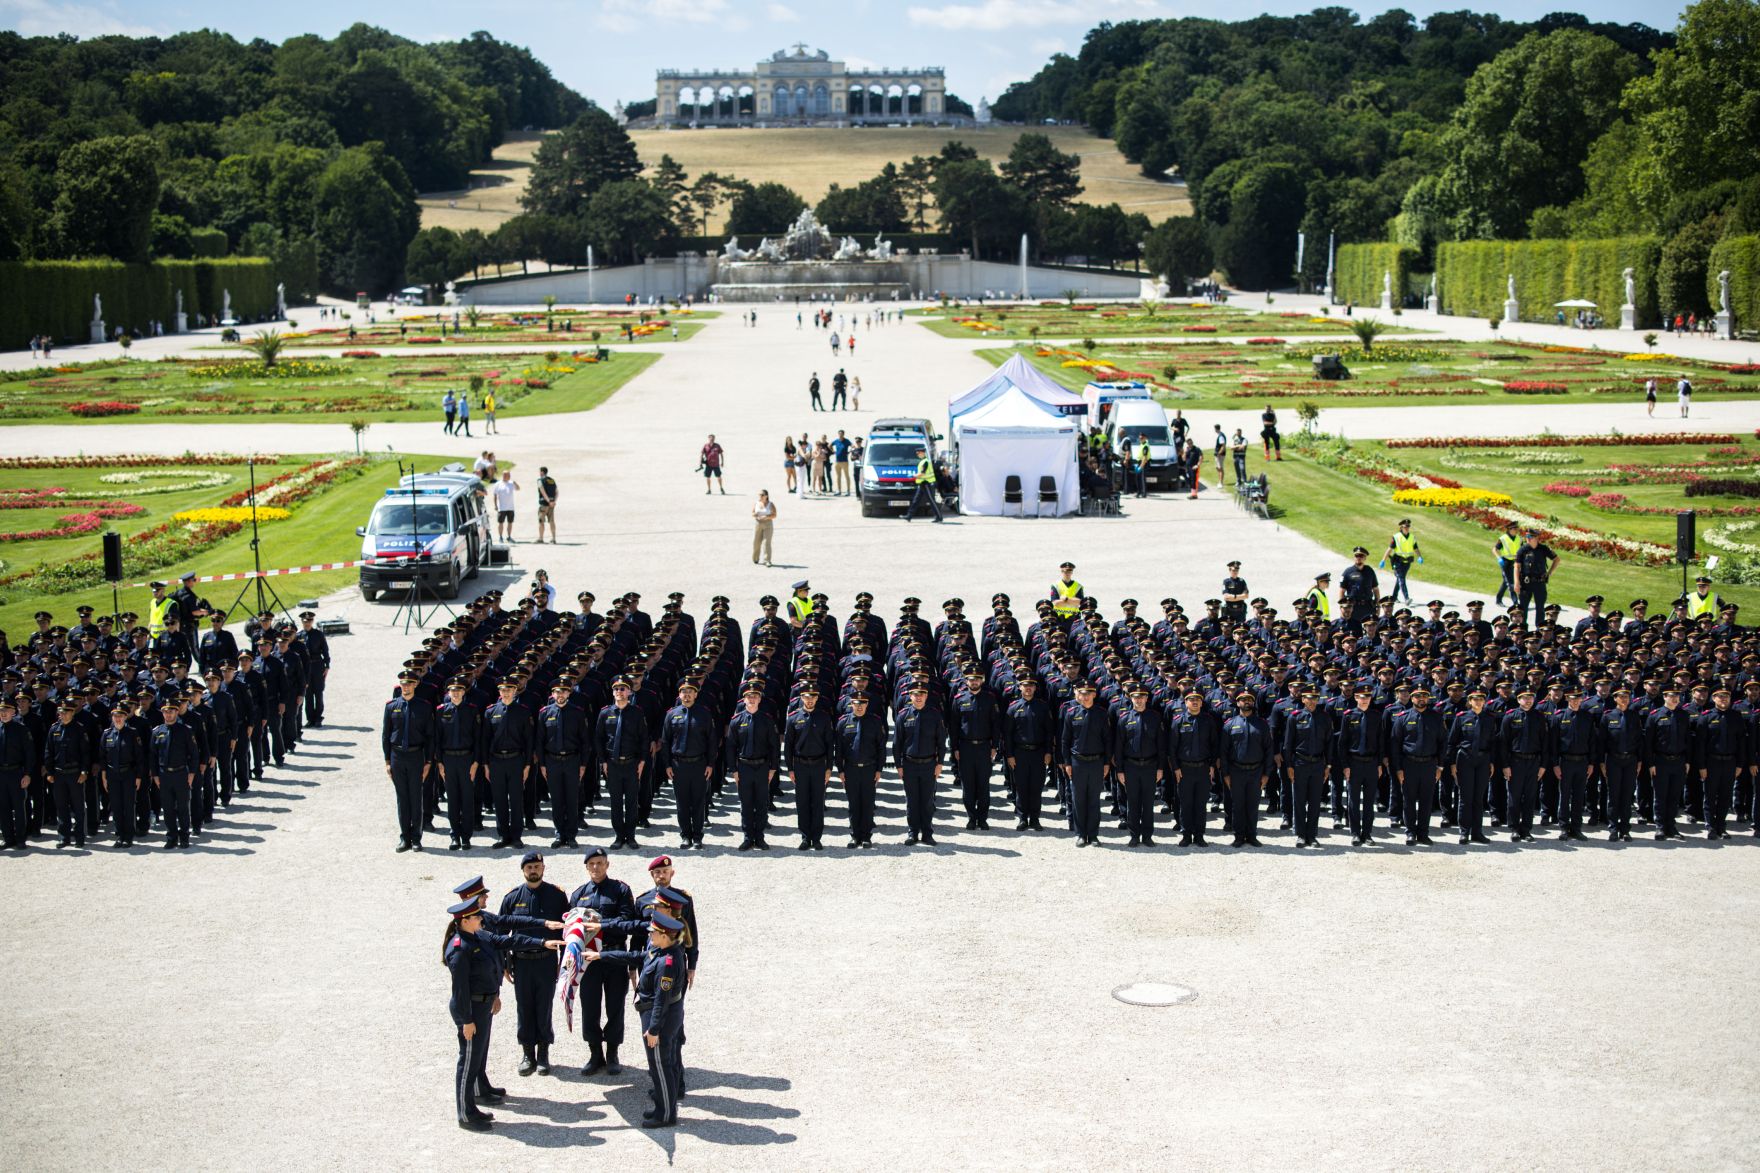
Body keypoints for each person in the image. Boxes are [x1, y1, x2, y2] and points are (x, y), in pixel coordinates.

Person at [444, 900, 560, 1131]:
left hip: (483, 1005)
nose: (481, 919)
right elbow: (460, 990)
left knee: (476, 1057)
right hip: (471, 1009)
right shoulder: (460, 947)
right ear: (464, 921)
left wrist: (542, 942)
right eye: (477, 917)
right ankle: (465, 1115)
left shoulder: (479, 937)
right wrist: (466, 1020)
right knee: (467, 1062)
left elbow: (510, 940)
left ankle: (473, 1106)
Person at [583, 910, 688, 1128]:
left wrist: (654, 1029)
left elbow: (661, 999)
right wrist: (601, 956)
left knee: (661, 1065)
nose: (650, 936)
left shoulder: (667, 962)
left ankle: (666, 1114)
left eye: (654, 933)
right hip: (653, 1013)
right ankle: (662, 1106)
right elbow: (635, 957)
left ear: (665, 935)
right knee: (659, 1064)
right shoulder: (659, 951)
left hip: (659, 1018)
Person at [567, 846, 645, 1077]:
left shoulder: (620, 889)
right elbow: (572, 927)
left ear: (607, 865)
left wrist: (601, 925)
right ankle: (594, 1053)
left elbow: (627, 921)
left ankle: (612, 1053)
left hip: (614, 955)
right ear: (586, 867)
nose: (596, 867)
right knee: (589, 1006)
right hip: (589, 959)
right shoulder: (578, 894)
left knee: (615, 1006)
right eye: (591, 864)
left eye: (600, 863)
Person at [500, 851, 568, 1076]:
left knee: (544, 1007)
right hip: (521, 962)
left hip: (546, 961)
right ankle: (527, 1054)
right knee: (524, 1008)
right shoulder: (512, 898)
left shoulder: (557, 896)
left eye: (537, 866)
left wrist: (565, 960)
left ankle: (544, 1055)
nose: (533, 870)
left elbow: (567, 931)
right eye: (529, 867)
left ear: (543, 868)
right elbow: (500, 934)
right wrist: (503, 964)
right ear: (523, 871)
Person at [659, 681, 716, 849]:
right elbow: (665, 741)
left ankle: (697, 836)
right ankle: (685, 836)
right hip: (678, 765)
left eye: (691, 691)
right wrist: (667, 765)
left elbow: (711, 741)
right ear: (679, 694)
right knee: (682, 803)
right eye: (684, 692)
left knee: (698, 802)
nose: (687, 695)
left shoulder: (704, 714)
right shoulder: (671, 715)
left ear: (696, 694)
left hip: (699, 764)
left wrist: (711, 764)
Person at [383, 671, 436, 852]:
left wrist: (428, 761)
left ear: (415, 685)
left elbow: (430, 736)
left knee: (415, 798)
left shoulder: (424, 707)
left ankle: (416, 838)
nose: (406, 687)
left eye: (409, 684)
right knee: (402, 798)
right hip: (398, 756)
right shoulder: (391, 706)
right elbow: (385, 735)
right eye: (403, 684)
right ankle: (404, 837)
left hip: (416, 756)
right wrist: (387, 761)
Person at [725, 684, 780, 850]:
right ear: (744, 699)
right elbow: (730, 747)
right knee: (746, 804)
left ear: (760, 699)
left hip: (762, 767)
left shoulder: (767, 720)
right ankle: (748, 837)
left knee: (762, 803)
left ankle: (760, 837)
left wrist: (773, 768)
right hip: (744, 767)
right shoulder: (736, 720)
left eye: (755, 696)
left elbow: (774, 746)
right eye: (749, 696)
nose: (752, 699)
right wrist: (733, 770)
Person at [597, 678, 649, 849]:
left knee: (632, 801)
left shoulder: (637, 712)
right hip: (612, 764)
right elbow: (599, 739)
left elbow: (643, 739)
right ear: (613, 692)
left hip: (631, 763)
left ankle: (631, 836)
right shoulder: (605, 713)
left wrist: (642, 761)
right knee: (616, 802)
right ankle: (619, 836)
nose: (619, 691)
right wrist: (603, 761)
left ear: (629, 692)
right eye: (616, 689)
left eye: (623, 688)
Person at [894, 684, 946, 846]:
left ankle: (927, 833)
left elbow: (941, 742)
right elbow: (897, 743)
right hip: (909, 764)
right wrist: (899, 766)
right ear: (910, 696)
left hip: (929, 764)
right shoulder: (903, 716)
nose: (918, 697)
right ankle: (913, 832)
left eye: (921, 694)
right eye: (915, 694)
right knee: (912, 800)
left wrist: (940, 763)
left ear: (926, 696)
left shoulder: (935, 715)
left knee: (927, 801)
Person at [835, 691, 887, 847]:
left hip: (869, 769)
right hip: (850, 769)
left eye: (862, 703)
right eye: (856, 703)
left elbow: (881, 748)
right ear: (851, 704)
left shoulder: (875, 722)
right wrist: (840, 770)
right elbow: (839, 750)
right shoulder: (843, 723)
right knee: (853, 804)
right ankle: (854, 835)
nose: (859, 706)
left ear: (867, 704)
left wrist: (879, 770)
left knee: (867, 804)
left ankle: (866, 836)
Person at [1221, 693, 1270, 847]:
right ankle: (1239, 836)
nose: (1246, 702)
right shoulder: (1230, 724)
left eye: (1249, 700)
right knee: (1238, 806)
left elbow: (1268, 749)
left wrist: (1267, 774)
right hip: (1236, 771)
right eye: (1243, 700)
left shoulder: (1262, 724)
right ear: (1237, 703)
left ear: (1253, 703)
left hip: (1256, 771)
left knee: (1253, 805)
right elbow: (1223, 752)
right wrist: (1226, 774)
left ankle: (1252, 835)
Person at [1513, 529, 1558, 634]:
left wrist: (1549, 573)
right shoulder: (1522, 550)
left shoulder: (1544, 549)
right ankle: (1522, 631)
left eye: (1530, 537)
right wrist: (1516, 582)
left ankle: (1539, 631)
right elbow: (1516, 566)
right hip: (1525, 583)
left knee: (1540, 608)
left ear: (1537, 538)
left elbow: (1557, 559)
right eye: (1527, 537)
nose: (1527, 539)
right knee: (1523, 608)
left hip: (1539, 583)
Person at [1382, 518, 1422, 605]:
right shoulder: (1396, 537)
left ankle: (1394, 597)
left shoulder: (1412, 537)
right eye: (1405, 526)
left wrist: (1420, 556)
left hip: (1407, 562)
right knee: (1401, 579)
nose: (1407, 528)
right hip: (1397, 562)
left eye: (1408, 526)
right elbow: (1389, 549)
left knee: (1400, 579)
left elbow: (1415, 547)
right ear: (1401, 527)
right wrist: (1383, 560)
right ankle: (1406, 598)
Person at [904, 445, 943, 523]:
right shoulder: (922, 461)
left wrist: (912, 476)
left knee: (931, 501)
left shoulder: (925, 462)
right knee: (916, 500)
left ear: (922, 453)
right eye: (917, 453)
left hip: (927, 483)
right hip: (922, 483)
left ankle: (939, 517)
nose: (917, 454)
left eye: (918, 453)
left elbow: (922, 473)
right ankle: (909, 516)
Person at [1493, 521, 1521, 607]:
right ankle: (1515, 603)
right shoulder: (1503, 538)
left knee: (1506, 582)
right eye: (1515, 528)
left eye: (1517, 528)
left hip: (1514, 562)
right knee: (1510, 583)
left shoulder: (1519, 538)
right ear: (1509, 529)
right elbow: (1494, 549)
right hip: (1505, 562)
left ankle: (1498, 599)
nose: (1517, 530)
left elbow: (1523, 550)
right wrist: (1499, 558)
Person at [491, 471, 519, 544]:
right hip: (502, 508)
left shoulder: (511, 483)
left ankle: (509, 537)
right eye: (508, 475)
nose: (509, 476)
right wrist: (495, 505)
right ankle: (500, 537)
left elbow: (518, 489)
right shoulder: (498, 484)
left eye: (509, 475)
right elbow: (495, 495)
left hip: (510, 507)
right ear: (504, 475)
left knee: (510, 522)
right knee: (501, 523)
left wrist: (515, 483)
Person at [751, 490, 776, 566]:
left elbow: (774, 515)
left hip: (768, 524)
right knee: (756, 542)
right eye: (759, 495)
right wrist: (755, 514)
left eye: (762, 495)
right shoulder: (757, 503)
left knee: (766, 542)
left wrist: (766, 517)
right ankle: (755, 558)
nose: (760, 496)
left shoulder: (771, 504)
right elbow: (752, 513)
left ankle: (767, 560)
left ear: (766, 496)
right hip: (758, 523)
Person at [535, 467, 558, 542]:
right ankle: (554, 538)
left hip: (544, 504)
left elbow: (542, 492)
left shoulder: (539, 480)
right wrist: (553, 501)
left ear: (542, 472)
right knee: (552, 521)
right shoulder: (552, 480)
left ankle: (541, 538)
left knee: (541, 521)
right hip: (551, 505)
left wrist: (548, 501)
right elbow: (557, 492)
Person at [832, 430, 852, 496]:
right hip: (837, 461)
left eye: (841, 434)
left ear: (843, 434)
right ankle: (839, 490)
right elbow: (830, 445)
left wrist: (849, 452)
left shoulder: (846, 441)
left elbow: (852, 446)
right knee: (838, 476)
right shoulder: (836, 441)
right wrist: (833, 451)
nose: (840, 435)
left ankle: (848, 491)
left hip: (844, 461)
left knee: (846, 476)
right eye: (839, 434)